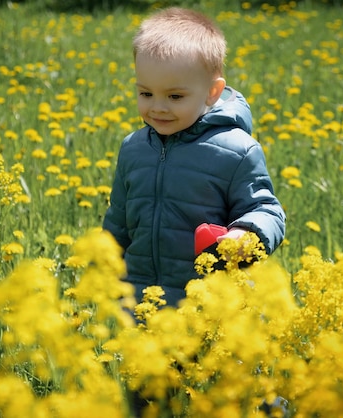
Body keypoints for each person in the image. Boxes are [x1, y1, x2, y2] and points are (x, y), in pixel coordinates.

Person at [103, 7, 286, 308]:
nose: (158, 107)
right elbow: (118, 221)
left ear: (213, 92)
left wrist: (245, 233)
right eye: (146, 94)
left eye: (175, 97)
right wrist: (102, 269)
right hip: (140, 304)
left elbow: (266, 209)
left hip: (209, 309)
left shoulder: (237, 150)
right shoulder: (133, 148)